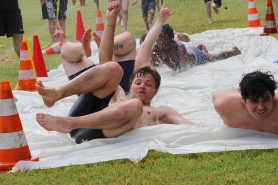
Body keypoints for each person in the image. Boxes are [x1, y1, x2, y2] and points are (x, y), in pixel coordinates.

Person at [35, 2, 195, 144]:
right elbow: (106, 60)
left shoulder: (160, 111)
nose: (142, 87)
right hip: (81, 118)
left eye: (148, 84)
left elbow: (186, 123)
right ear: (130, 86)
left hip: (92, 133)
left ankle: (70, 122)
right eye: (138, 83)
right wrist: (111, 21)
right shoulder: (120, 96)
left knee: (135, 106)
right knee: (113, 68)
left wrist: (214, 130)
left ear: (155, 91)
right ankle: (57, 94)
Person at [150, 23, 241, 72]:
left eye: (161, 36)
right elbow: (150, 67)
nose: (158, 39)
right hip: (186, 50)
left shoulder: (178, 46)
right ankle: (180, 36)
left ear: (169, 37)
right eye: (157, 36)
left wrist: (172, 76)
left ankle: (234, 51)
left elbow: (183, 68)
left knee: (215, 57)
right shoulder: (155, 49)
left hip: (196, 57)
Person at [212, 70, 278, 135]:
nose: (261, 107)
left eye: (266, 100)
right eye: (254, 101)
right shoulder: (224, 104)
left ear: (273, 98)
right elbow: (215, 95)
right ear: (243, 100)